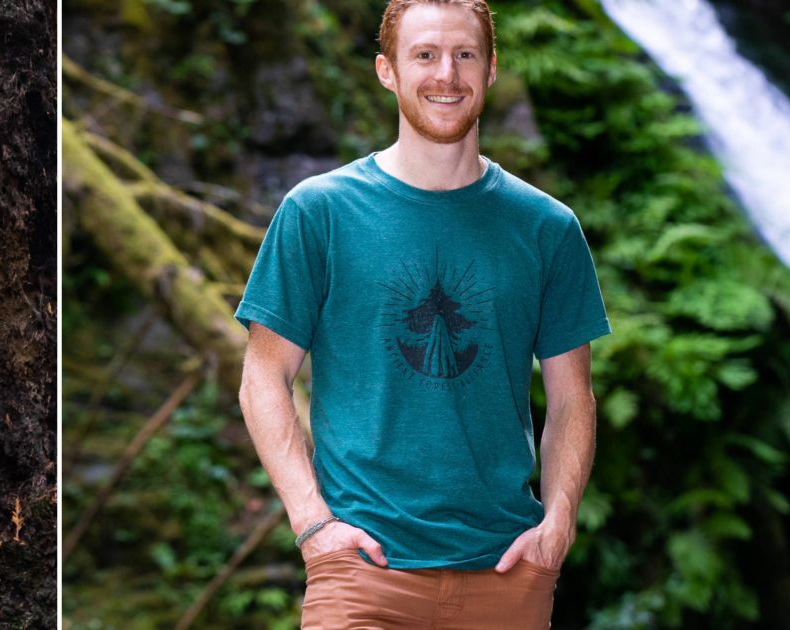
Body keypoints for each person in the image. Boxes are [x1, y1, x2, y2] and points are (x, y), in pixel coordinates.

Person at [234, 0, 609, 627]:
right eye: (425, 55)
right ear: (387, 71)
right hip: (362, 576)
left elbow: (572, 398)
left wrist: (559, 522)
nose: (447, 75)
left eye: (465, 55)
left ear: (490, 71)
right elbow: (262, 378)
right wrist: (312, 524)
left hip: (506, 578)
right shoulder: (318, 213)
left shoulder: (548, 228)